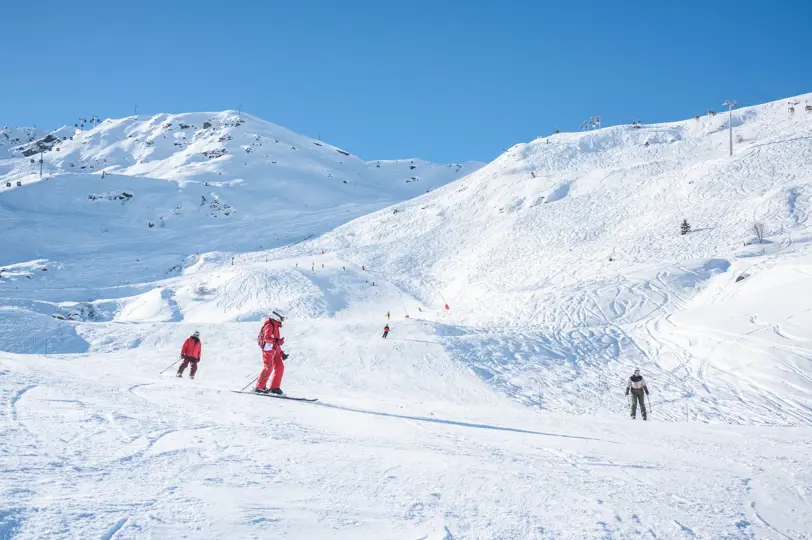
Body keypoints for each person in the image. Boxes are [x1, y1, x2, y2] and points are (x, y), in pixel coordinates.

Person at [255, 310, 288, 395]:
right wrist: (277, 340)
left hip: (274, 350)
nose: (282, 320)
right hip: (268, 349)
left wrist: (282, 354)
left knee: (280, 366)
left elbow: (276, 343)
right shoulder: (269, 326)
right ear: (277, 317)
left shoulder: (276, 326)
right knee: (269, 367)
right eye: (282, 318)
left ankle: (274, 387)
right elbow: (267, 338)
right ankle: (260, 386)